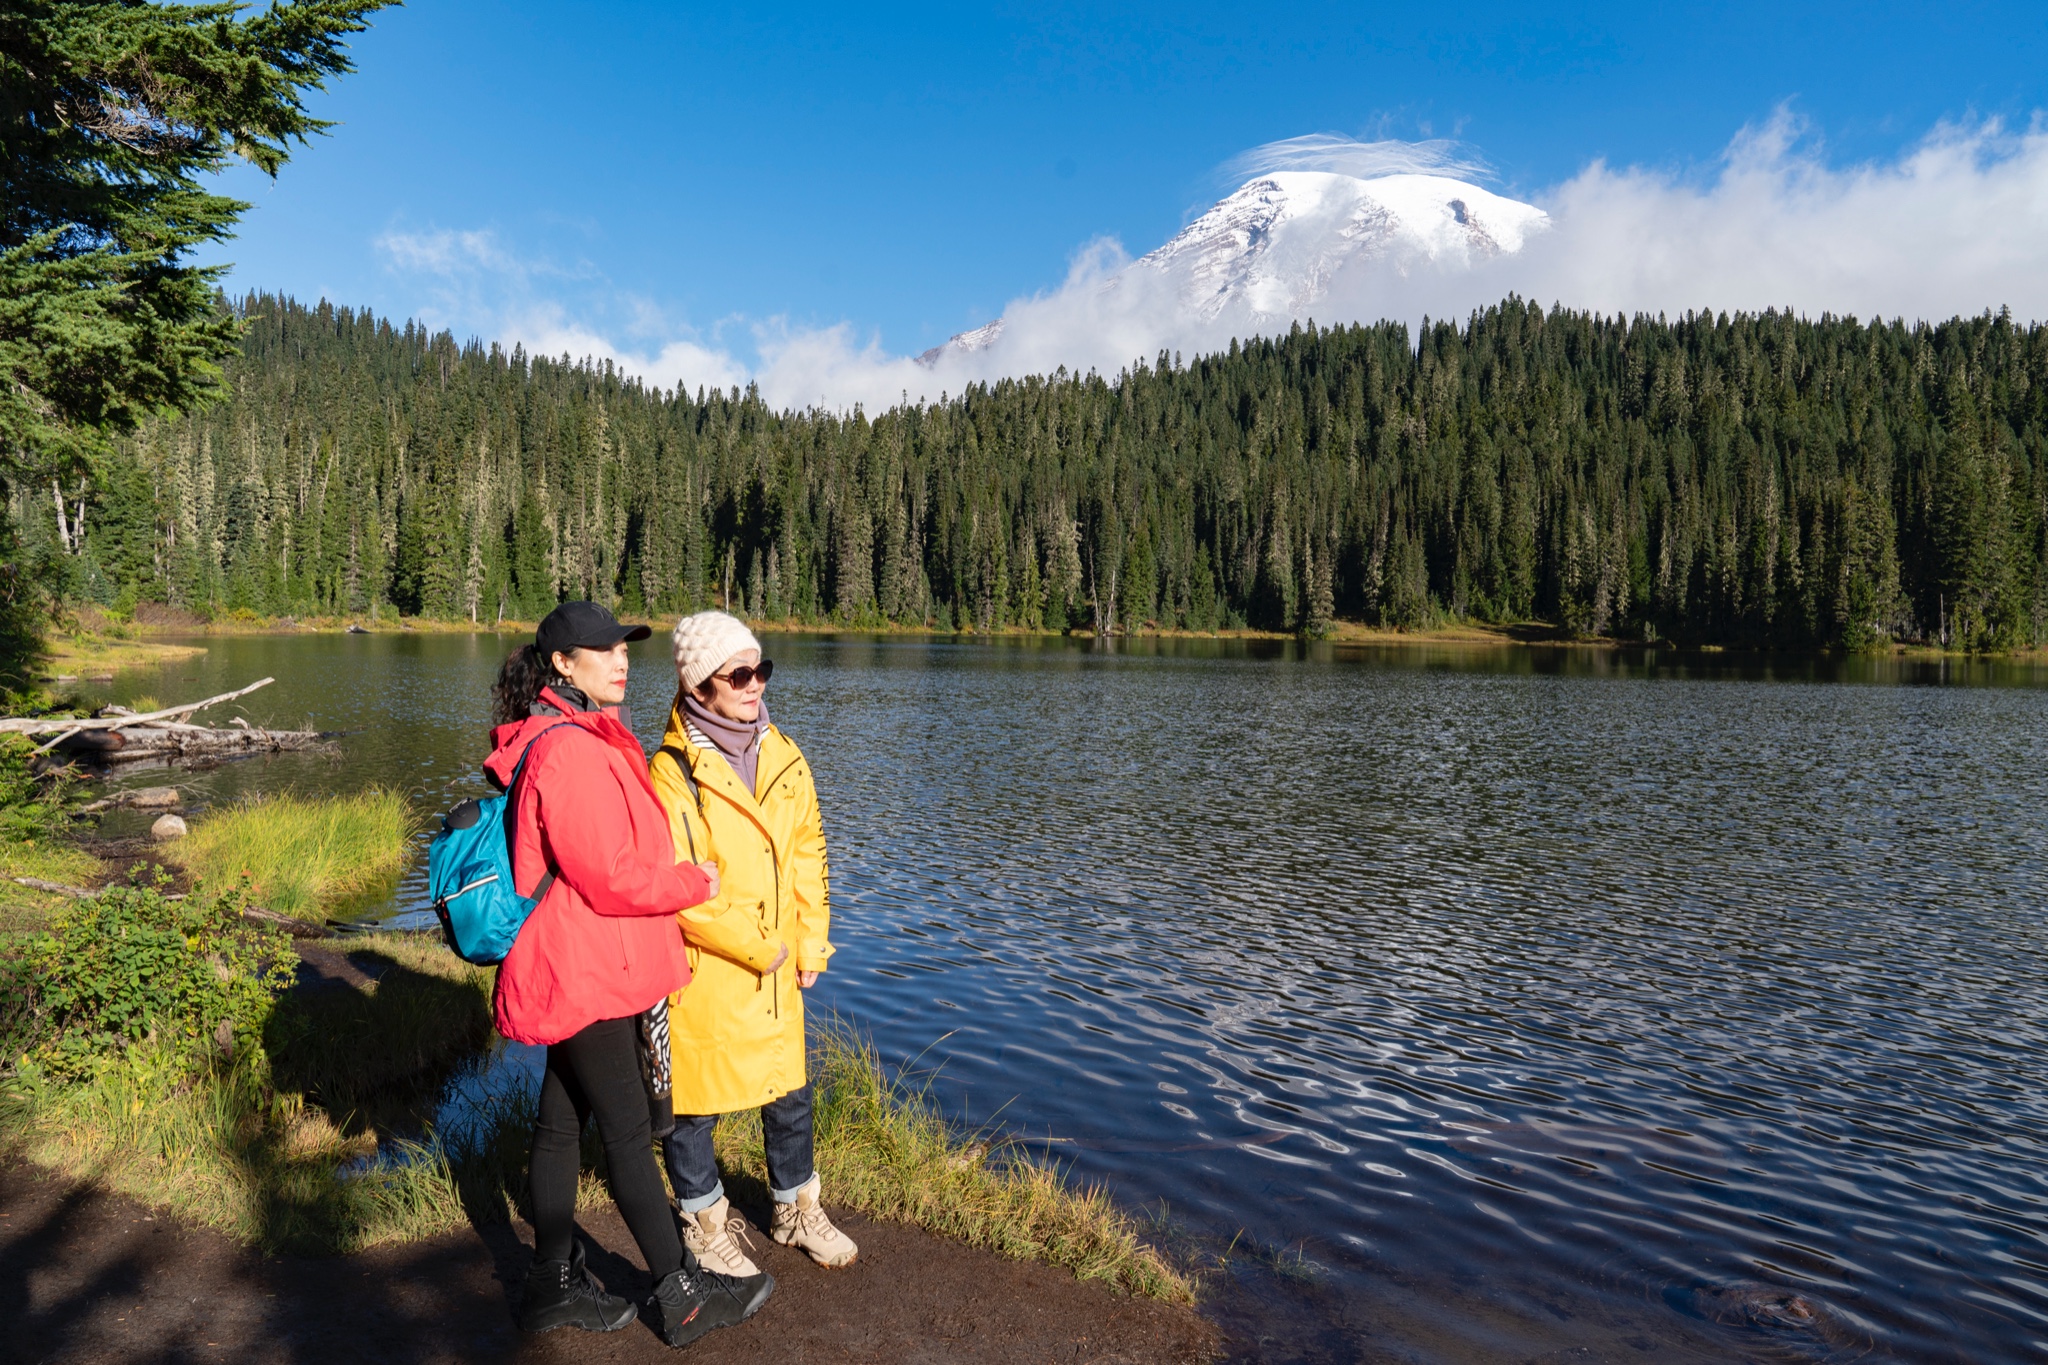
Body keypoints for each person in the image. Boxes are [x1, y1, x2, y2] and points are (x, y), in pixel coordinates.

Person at [487, 601, 775, 1347]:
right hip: (583, 968)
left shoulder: (572, 734)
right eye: (601, 649)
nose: (619, 659)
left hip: (572, 960)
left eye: (623, 647)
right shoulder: (570, 750)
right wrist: (693, 881)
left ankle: (551, 1286)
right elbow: (610, 875)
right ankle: (679, 1290)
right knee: (624, 1131)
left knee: (557, 1126)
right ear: (561, 663)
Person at [649, 611, 858, 1276]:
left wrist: (812, 942)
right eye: (740, 673)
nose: (755, 683)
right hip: (712, 970)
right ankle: (704, 1220)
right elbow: (685, 886)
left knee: (789, 1091)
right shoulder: (672, 770)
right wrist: (757, 944)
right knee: (696, 1102)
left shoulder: (786, 754)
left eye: (761, 668)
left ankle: (796, 1209)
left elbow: (809, 854)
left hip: (778, 966)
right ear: (699, 682)